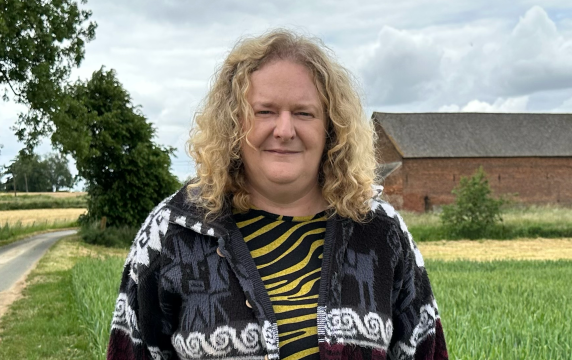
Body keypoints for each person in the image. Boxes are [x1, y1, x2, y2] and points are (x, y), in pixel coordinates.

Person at [105, 29, 448, 360]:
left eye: (304, 113)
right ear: (233, 123)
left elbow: (426, 351)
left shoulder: (380, 231)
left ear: (331, 128)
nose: (284, 131)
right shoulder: (172, 231)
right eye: (265, 111)